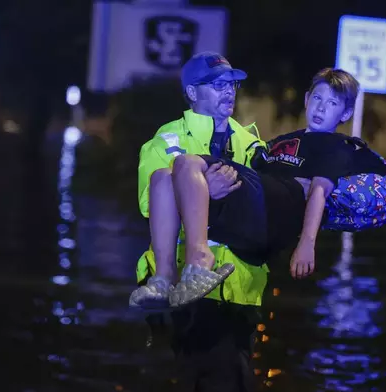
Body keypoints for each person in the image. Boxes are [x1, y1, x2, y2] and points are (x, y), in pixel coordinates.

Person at [131, 68, 386, 309]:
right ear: (306, 99)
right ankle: (163, 280)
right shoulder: (282, 141)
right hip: (252, 205)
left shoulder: (336, 147)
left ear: (346, 114)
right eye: (317, 98)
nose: (321, 108)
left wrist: (306, 244)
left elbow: (318, 192)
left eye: (333, 103)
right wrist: (206, 188)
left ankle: (199, 260)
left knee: (186, 162)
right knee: (162, 177)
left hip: (274, 211)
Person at [131, 51, 270, 392]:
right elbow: (150, 203)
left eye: (232, 84)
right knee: (221, 376)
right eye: (218, 85)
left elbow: (264, 208)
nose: (229, 92)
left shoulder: (252, 144)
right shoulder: (166, 140)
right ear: (192, 93)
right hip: (184, 287)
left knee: (213, 376)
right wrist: (206, 187)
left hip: (240, 290)